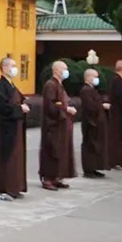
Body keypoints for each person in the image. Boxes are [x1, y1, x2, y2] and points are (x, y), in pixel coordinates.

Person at [0, 57, 30, 201]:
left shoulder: (12, 85)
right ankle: (3, 188)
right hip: (5, 129)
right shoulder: (0, 86)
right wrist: (20, 108)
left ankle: (14, 187)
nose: (16, 69)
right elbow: (1, 108)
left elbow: (18, 100)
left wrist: (23, 104)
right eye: (13, 66)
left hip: (15, 128)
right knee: (5, 157)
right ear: (5, 68)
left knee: (16, 157)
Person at [40, 61, 77, 191]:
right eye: (64, 69)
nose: (67, 71)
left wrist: (67, 107)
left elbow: (61, 102)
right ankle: (48, 178)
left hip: (61, 125)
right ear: (56, 70)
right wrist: (65, 109)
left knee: (61, 151)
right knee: (52, 150)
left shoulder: (60, 85)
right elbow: (51, 105)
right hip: (53, 125)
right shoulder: (50, 85)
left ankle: (57, 177)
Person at [80, 69, 110, 179]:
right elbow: (90, 107)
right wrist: (101, 106)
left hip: (97, 122)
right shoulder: (86, 90)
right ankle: (88, 170)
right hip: (90, 123)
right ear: (88, 77)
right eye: (95, 76)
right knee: (90, 145)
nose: (97, 79)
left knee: (97, 146)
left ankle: (95, 167)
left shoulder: (92, 90)